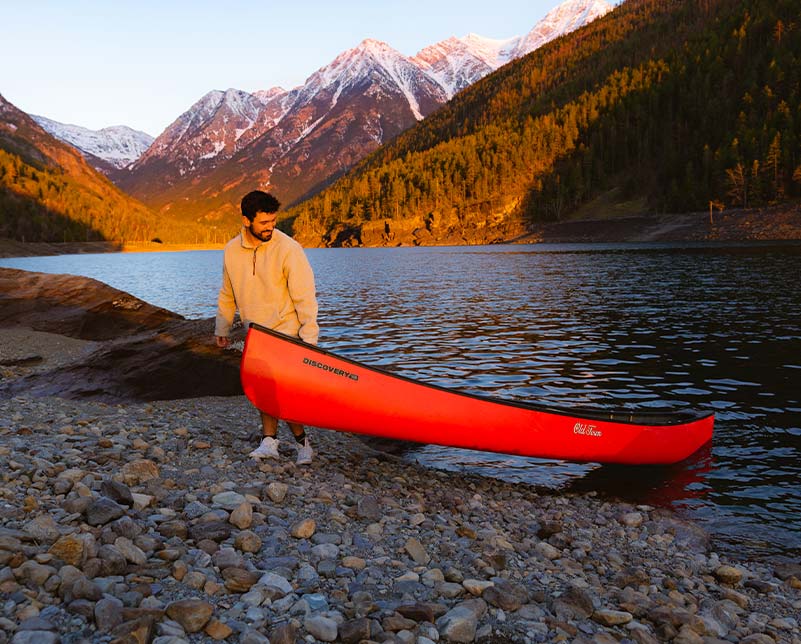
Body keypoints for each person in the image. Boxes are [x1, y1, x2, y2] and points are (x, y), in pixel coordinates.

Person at [215, 190, 319, 465]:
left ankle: (303, 445)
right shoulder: (231, 250)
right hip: (257, 333)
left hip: (287, 331)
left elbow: (305, 296)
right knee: (264, 390)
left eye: (273, 221)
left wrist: (310, 338)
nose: (270, 227)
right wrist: (222, 328)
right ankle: (270, 442)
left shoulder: (288, 248)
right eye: (264, 222)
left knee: (283, 392)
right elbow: (228, 293)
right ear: (246, 220)